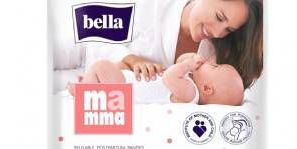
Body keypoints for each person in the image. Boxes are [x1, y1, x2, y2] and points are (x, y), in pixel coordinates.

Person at [85, 0, 263, 91]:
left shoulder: (217, 57)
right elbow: (98, 35)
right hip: (88, 59)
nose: (217, 33)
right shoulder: (153, 3)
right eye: (219, 17)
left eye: (228, 29)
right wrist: (133, 60)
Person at [68, 53, 244, 106]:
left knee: (101, 65)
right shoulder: (190, 85)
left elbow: (169, 76)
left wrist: (188, 65)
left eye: (214, 66)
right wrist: (190, 60)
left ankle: (85, 93)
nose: (209, 62)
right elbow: (181, 60)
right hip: (130, 82)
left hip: (126, 90)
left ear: (207, 89)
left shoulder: (191, 94)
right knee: (110, 67)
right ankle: (90, 87)